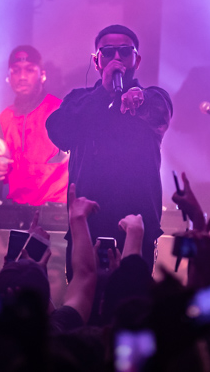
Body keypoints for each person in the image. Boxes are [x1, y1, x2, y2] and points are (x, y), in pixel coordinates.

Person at [46, 24, 172, 272]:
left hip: (136, 227)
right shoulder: (79, 100)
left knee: (132, 294)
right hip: (87, 226)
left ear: (136, 60)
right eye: (108, 52)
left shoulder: (153, 97)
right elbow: (59, 131)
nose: (117, 58)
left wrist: (138, 99)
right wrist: (104, 92)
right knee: (84, 292)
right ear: (96, 61)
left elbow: (160, 113)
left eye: (125, 51)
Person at [0, 45, 68, 205]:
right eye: (16, 70)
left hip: (56, 208)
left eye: (30, 70)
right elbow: (2, 161)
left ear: (42, 75)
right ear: (8, 77)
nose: (22, 76)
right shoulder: (5, 117)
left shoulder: (60, 111)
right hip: (18, 208)